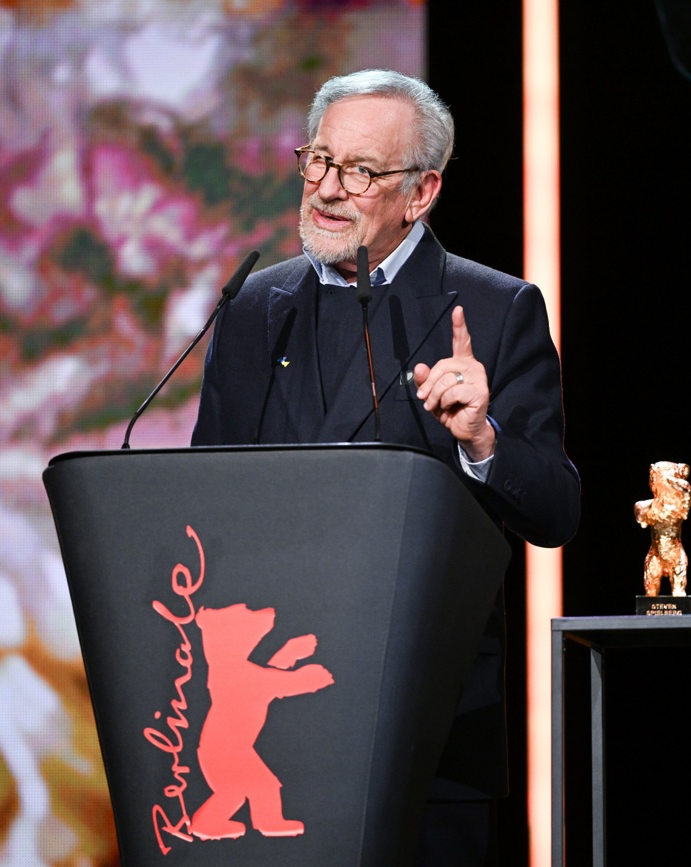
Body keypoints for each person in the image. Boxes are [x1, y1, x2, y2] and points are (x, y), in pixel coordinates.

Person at [191, 68, 580, 865]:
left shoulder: (499, 309)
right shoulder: (253, 309)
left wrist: (483, 439)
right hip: (276, 733)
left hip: (430, 727)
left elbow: (557, 511)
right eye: (318, 160)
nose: (329, 189)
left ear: (422, 191)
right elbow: (205, 497)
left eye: (362, 172)